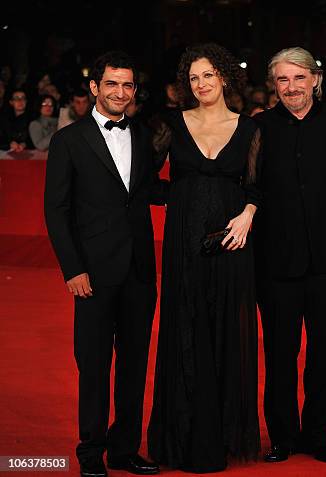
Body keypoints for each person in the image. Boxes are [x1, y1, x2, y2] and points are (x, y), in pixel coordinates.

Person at [44, 51, 167, 477]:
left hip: (138, 270)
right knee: (94, 365)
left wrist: (208, 187)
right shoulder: (69, 140)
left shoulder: (144, 135)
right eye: (111, 84)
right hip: (92, 274)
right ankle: (91, 453)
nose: (120, 92)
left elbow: (151, 191)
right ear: (94, 87)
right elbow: (56, 211)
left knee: (134, 365)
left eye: (128, 85)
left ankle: (125, 449)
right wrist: (73, 270)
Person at [147, 43, 261, 473]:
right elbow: (142, 177)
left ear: (225, 78)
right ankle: (184, 436)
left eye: (209, 75)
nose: (201, 84)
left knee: (226, 332)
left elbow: (256, 186)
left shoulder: (249, 129)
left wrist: (249, 213)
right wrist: (180, 201)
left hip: (231, 246)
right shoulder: (171, 125)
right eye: (194, 78)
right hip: (183, 246)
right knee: (186, 332)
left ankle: (223, 434)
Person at [253, 47, 326, 465]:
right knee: (279, 354)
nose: (291, 87)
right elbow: (249, 187)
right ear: (274, 85)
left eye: (298, 78)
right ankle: (282, 437)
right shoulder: (258, 128)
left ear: (314, 79)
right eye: (282, 80)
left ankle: (319, 436)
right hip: (276, 262)